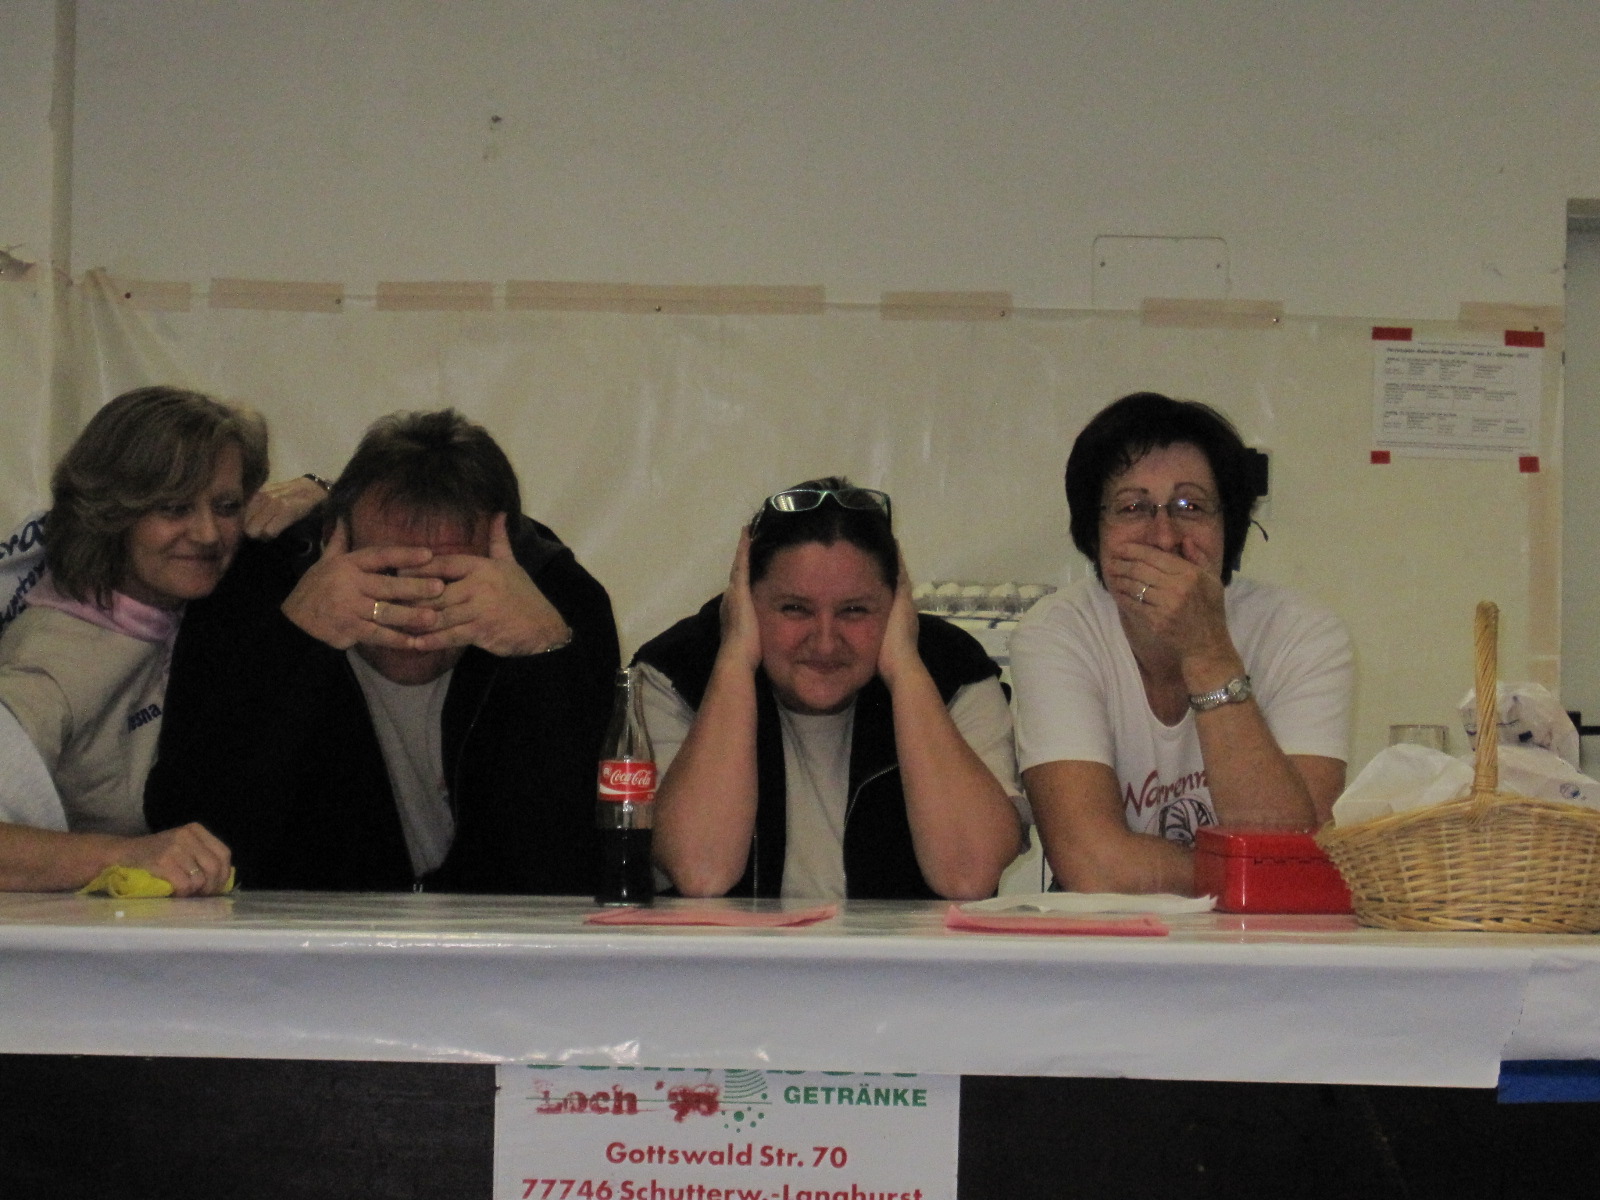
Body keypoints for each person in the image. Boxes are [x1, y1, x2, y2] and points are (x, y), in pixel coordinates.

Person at [145, 409, 620, 893]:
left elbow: (584, 861)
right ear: (332, 540)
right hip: (312, 926)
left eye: (448, 579)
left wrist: (545, 655)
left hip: (500, 928)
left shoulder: (557, 601)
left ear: (505, 558)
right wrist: (293, 643)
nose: (414, 606)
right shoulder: (253, 592)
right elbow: (191, 831)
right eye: (386, 572)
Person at [1009, 392, 1354, 895]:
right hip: (1112, 937)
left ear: (1228, 526)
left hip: (1260, 938)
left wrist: (1207, 650)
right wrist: (1247, 871)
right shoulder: (1057, 632)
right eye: (1133, 508)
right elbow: (1094, 867)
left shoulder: (1304, 634)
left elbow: (1289, 858)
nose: (1165, 537)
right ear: (1093, 533)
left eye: (1191, 506)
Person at [634, 477, 1026, 901]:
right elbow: (701, 872)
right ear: (743, 601)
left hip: (899, 949)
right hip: (733, 948)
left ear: (896, 604)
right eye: (795, 609)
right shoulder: (676, 672)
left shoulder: (954, 671)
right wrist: (734, 662)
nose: (825, 642)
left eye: (855, 610)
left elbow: (968, 876)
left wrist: (907, 671)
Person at [0, 386, 275, 894]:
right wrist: (122, 854)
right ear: (111, 512)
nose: (208, 534)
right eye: (173, 508)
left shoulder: (218, 601)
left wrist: (320, 492)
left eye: (227, 506)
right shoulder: (49, 661)